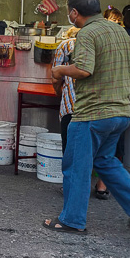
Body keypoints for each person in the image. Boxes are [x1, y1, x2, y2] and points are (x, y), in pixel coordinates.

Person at [45, 0, 130, 233]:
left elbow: (84, 69)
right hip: (120, 112)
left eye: (68, 11)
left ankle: (71, 220)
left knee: (76, 166)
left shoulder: (87, 33)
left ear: (74, 12)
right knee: (106, 161)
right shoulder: (117, 30)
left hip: (92, 115)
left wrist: (60, 70)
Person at [50, 26, 109, 199]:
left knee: (71, 150)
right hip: (100, 106)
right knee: (100, 148)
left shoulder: (66, 45)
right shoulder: (102, 45)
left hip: (72, 106)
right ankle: (101, 186)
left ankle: (73, 188)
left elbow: (55, 77)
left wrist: (59, 92)